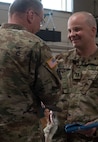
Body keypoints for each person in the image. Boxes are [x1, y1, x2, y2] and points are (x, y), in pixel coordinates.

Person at [0, 0, 61, 142]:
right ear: (30, 15)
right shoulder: (36, 45)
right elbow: (51, 95)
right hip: (19, 133)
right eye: (41, 20)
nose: (39, 27)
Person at [55, 11, 98, 142]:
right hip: (60, 137)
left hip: (96, 138)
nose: (72, 35)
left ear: (93, 31)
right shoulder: (60, 60)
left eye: (77, 29)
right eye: (69, 30)